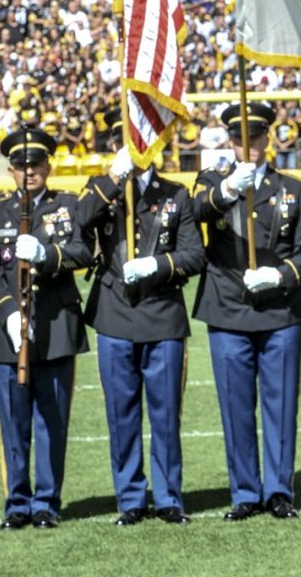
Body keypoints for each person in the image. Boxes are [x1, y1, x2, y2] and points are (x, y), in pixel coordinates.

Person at [76, 109, 205, 526]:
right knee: (122, 413)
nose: (138, 149)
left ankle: (168, 496)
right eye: (129, 142)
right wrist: (114, 179)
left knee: (166, 413)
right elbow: (80, 221)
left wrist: (157, 265)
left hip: (162, 314)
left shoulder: (176, 194)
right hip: (114, 314)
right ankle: (130, 497)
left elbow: (194, 254)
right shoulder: (102, 189)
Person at [192, 101, 301, 521]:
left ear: (268, 140)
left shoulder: (292, 188)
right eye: (241, 139)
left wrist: (279, 276)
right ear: (230, 141)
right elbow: (195, 215)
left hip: (279, 308)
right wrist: (228, 189)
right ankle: (245, 490)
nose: (249, 146)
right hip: (228, 305)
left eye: (257, 138)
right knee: (235, 404)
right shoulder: (212, 180)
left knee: (281, 403)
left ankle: (279, 489)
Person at [0, 127, 93, 530]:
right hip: (9, 332)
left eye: (36, 164)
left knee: (52, 421)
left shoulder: (68, 206)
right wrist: (7, 311)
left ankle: (47, 501)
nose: (29, 172)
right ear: (10, 170)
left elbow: (83, 251)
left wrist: (47, 254)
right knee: (13, 422)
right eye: (22, 166)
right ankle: (16, 502)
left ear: (48, 166)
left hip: (57, 325)